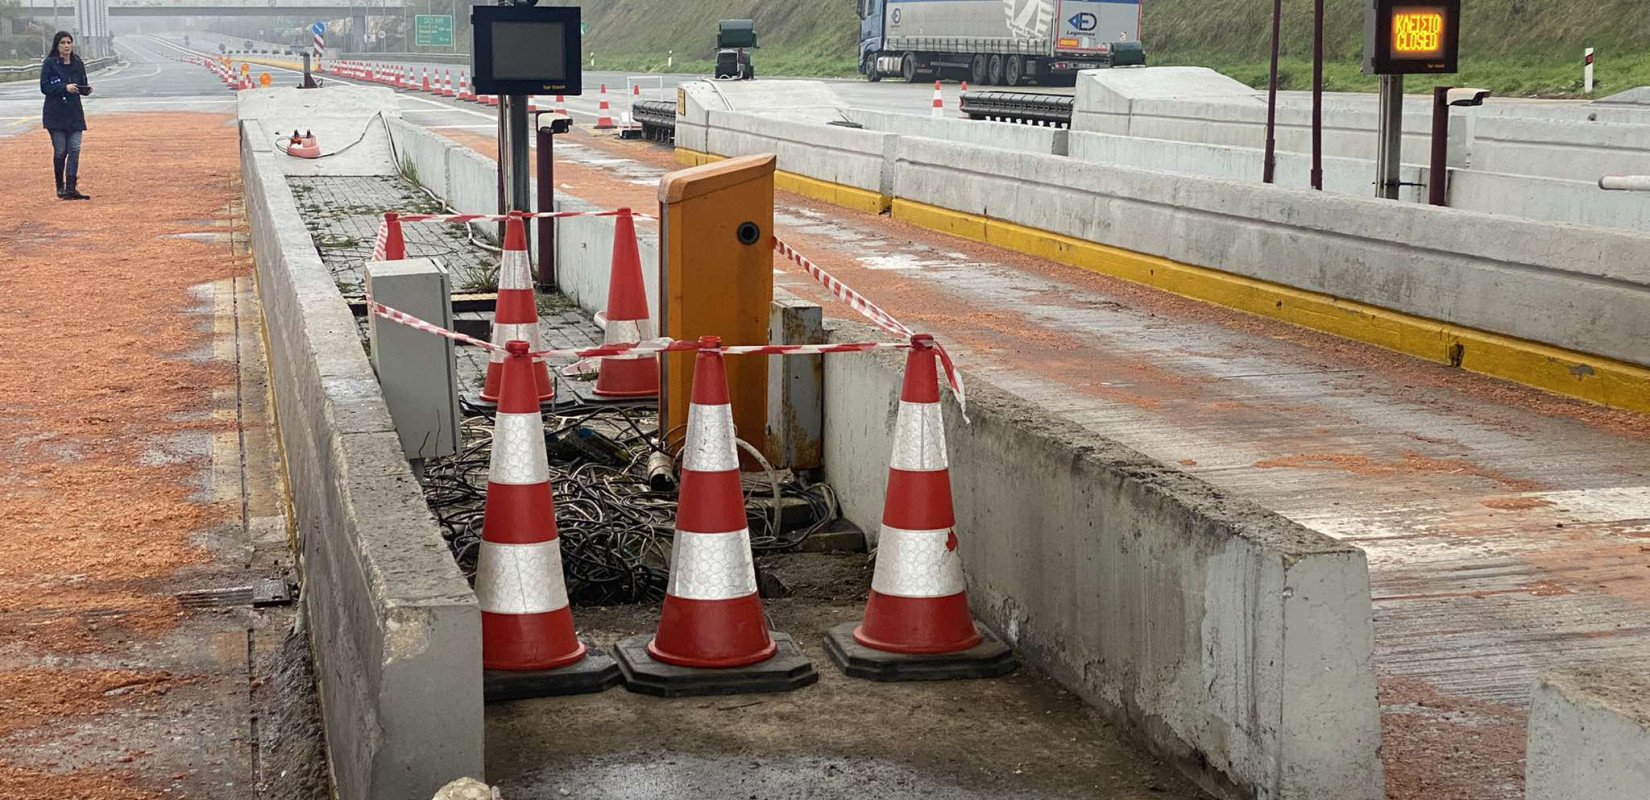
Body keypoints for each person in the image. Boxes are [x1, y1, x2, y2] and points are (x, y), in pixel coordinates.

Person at [41, 31, 92, 201]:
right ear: (57, 45)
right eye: (62, 43)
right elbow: (45, 87)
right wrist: (64, 88)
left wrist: (85, 90)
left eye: (69, 42)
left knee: (75, 149)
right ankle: (60, 186)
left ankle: (71, 187)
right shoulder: (50, 63)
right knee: (61, 150)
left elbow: (82, 83)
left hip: (74, 113)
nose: (66, 46)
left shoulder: (77, 62)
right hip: (55, 114)